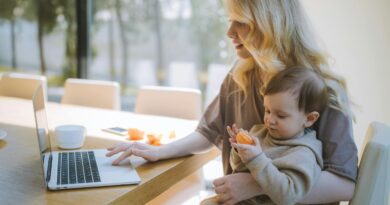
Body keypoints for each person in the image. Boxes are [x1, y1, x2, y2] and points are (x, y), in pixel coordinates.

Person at [106, 0, 358, 204]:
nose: (229, 33)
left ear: (271, 25)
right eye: (229, 21)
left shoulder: (323, 90)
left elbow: (344, 184)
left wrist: (256, 185)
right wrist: (160, 151)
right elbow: (208, 132)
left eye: (241, 22)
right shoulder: (240, 75)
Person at [201, 67, 327, 205]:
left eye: (281, 115)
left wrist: (256, 158)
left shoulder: (304, 154)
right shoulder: (259, 132)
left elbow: (288, 196)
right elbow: (237, 167)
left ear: (309, 119)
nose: (269, 120)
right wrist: (240, 151)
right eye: (267, 110)